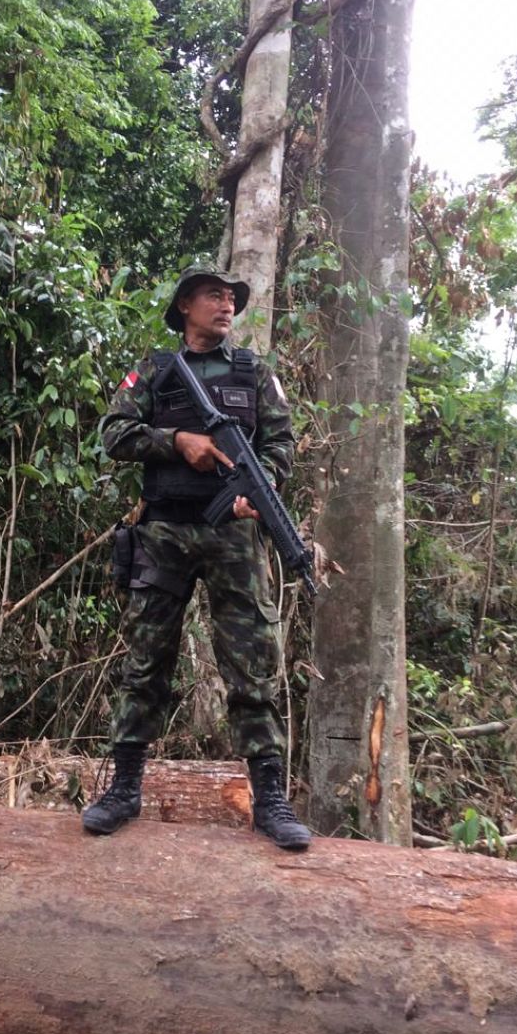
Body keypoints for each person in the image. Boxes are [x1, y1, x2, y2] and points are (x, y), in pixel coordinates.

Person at [82, 265, 311, 851]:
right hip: (162, 533)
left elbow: (280, 445)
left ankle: (271, 799)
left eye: (232, 297)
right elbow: (113, 434)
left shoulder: (255, 373)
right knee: (144, 664)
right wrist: (176, 442)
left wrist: (257, 488)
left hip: (235, 540)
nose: (226, 304)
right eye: (214, 295)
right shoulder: (155, 371)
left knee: (253, 667)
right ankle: (124, 788)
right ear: (186, 305)